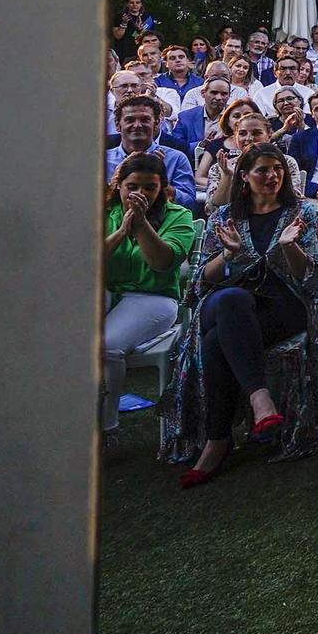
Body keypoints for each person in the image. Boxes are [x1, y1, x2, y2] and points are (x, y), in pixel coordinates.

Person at [162, 143, 318, 483]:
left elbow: (311, 280)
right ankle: (260, 399)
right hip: (225, 300)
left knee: (215, 342)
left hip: (281, 307)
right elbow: (200, 280)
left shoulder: (303, 213)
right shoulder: (224, 216)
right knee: (232, 300)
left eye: (278, 169)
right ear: (244, 177)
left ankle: (217, 441)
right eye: (263, 170)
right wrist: (227, 255)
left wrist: (289, 246)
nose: (272, 176)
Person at [101, 153, 197, 440]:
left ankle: (107, 426)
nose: (139, 194)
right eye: (132, 187)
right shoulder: (104, 213)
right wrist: (121, 231)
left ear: (162, 189)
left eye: (149, 188)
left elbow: (162, 263)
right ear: (118, 186)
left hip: (152, 297)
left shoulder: (178, 216)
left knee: (107, 347)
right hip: (107, 292)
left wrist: (142, 225)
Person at [106, 95, 198, 208]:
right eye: (130, 120)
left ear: (156, 124)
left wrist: (160, 180)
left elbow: (190, 204)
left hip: (162, 224)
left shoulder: (176, 158)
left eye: (145, 120)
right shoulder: (104, 160)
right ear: (117, 125)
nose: (137, 125)